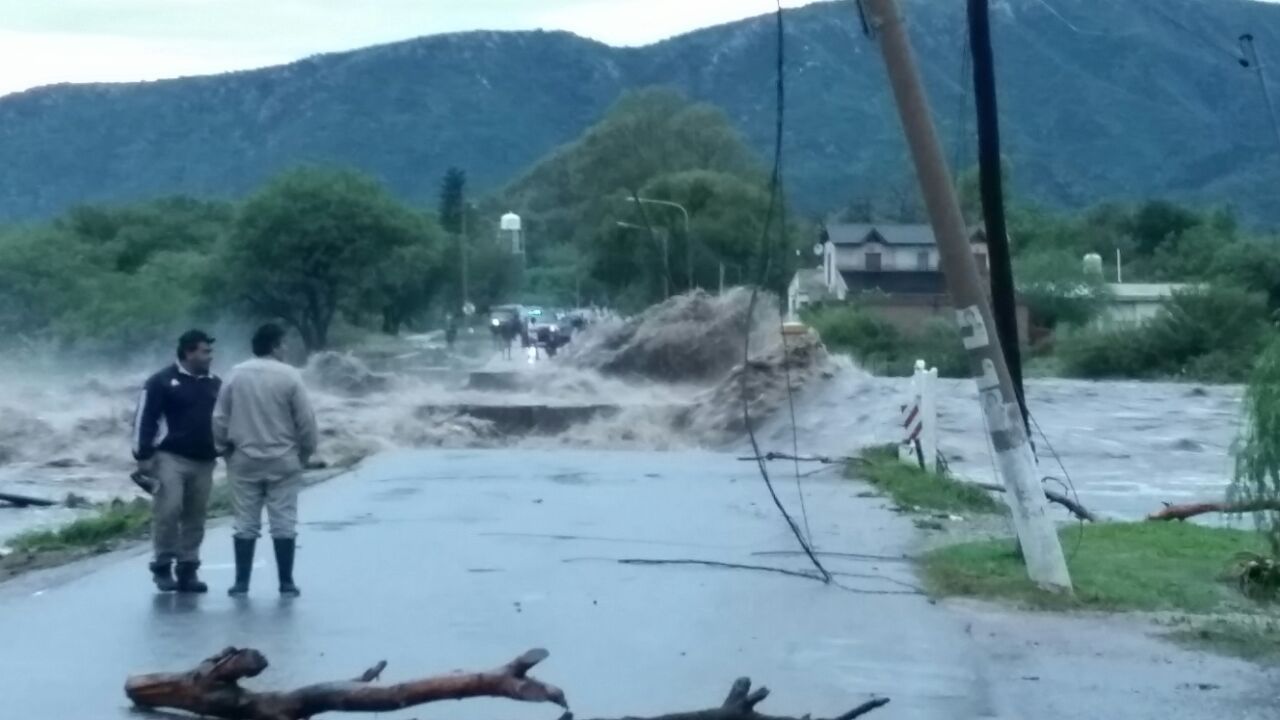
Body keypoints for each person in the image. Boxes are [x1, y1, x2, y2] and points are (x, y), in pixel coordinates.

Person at [213, 323, 318, 597]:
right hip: (283, 459)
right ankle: (286, 582)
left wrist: (223, 450)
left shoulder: (235, 375)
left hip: (243, 459)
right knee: (284, 520)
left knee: (245, 521)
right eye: (284, 344)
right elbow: (305, 421)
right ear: (274, 346)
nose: (286, 349)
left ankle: (241, 583)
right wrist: (304, 454)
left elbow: (219, 418)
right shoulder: (290, 376)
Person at [133, 329, 221, 593]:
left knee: (196, 515)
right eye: (205, 351)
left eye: (210, 352)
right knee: (168, 510)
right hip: (170, 457)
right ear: (189, 352)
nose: (210, 357)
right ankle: (162, 565)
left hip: (205, 460)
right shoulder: (160, 382)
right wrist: (143, 455)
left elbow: (226, 419)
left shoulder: (216, 384)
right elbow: (144, 419)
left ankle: (188, 569)